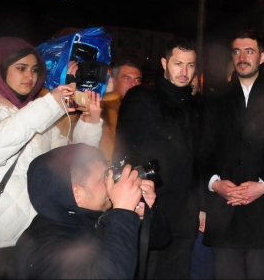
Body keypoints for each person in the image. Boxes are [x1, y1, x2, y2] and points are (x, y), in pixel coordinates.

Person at [0, 37, 102, 279]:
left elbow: (70, 165)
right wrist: (49, 104)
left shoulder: (38, 115)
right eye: (20, 68)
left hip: (31, 238)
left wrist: (89, 124)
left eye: (34, 70)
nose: (29, 76)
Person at [199, 29, 264, 279]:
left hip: (263, 214)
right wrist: (214, 183)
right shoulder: (214, 99)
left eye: (249, 51)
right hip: (223, 212)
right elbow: (204, 150)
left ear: (262, 57)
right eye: (237, 51)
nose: (242, 57)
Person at [15, 143, 170, 279]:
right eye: (103, 178)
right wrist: (123, 212)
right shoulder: (42, 249)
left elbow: (162, 240)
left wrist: (146, 214)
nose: (110, 182)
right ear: (76, 193)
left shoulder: (98, 212)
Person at [113, 38, 200, 279]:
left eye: (190, 65)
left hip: (185, 213)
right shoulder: (142, 98)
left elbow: (199, 160)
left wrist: (201, 207)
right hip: (150, 208)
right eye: (178, 63)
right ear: (164, 63)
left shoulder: (196, 106)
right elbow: (124, 152)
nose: (184, 72)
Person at [98, 60, 143, 160]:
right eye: (127, 78)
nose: (133, 84)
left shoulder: (144, 108)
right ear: (113, 81)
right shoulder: (100, 106)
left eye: (137, 80)